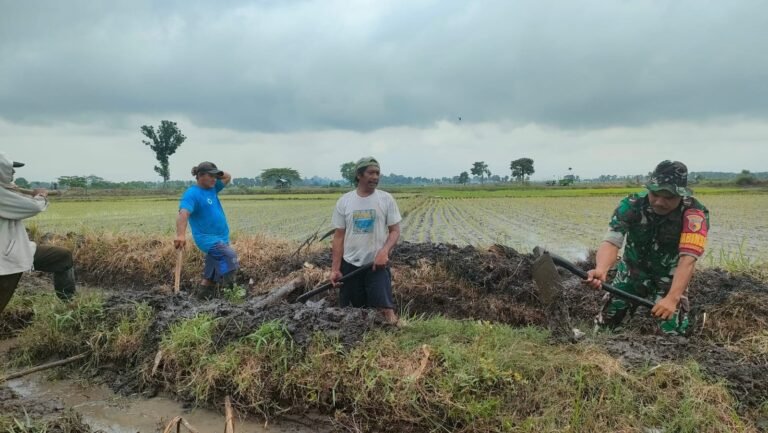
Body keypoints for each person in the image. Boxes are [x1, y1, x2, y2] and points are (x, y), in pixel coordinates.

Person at [585, 160, 709, 335]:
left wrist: (672, 298)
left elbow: (688, 258)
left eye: (668, 197)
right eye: (655, 194)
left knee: (672, 334)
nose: (659, 202)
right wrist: (601, 269)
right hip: (631, 271)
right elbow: (612, 241)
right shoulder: (632, 204)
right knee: (606, 324)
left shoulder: (694, 214)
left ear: (681, 195)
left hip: (669, 278)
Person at [0, 153, 76, 315]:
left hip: (16, 248)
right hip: (5, 260)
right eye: (10, 169)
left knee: (62, 257)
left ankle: (69, 306)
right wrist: (40, 196)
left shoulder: (5, 190)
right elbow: (32, 207)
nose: (13, 173)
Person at [330, 156, 402, 324]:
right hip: (350, 265)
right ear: (359, 175)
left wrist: (384, 252)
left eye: (377, 173)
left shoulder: (386, 199)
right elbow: (338, 237)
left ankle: (397, 335)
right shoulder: (345, 201)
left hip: (376, 264)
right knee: (351, 314)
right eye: (371, 173)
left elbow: (395, 231)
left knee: (386, 311)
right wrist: (335, 269)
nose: (375, 177)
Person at [174, 161, 237, 300]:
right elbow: (183, 213)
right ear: (200, 176)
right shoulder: (192, 194)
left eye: (216, 176)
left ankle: (200, 299)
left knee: (211, 274)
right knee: (229, 256)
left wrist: (216, 172)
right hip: (207, 239)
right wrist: (180, 235)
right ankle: (232, 294)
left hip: (222, 237)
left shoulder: (213, 188)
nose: (215, 179)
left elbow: (227, 176)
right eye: (211, 176)